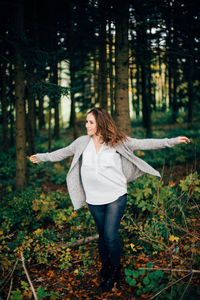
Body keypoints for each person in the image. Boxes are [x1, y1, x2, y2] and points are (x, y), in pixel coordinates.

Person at [30, 107, 190, 292]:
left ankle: (115, 270)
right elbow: (62, 152)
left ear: (101, 123)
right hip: (93, 198)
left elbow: (144, 143)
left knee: (110, 235)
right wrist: (41, 157)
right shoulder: (82, 142)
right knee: (102, 235)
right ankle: (106, 265)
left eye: (91, 122)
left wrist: (171, 141)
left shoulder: (117, 141)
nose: (87, 125)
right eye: (86, 122)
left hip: (115, 195)